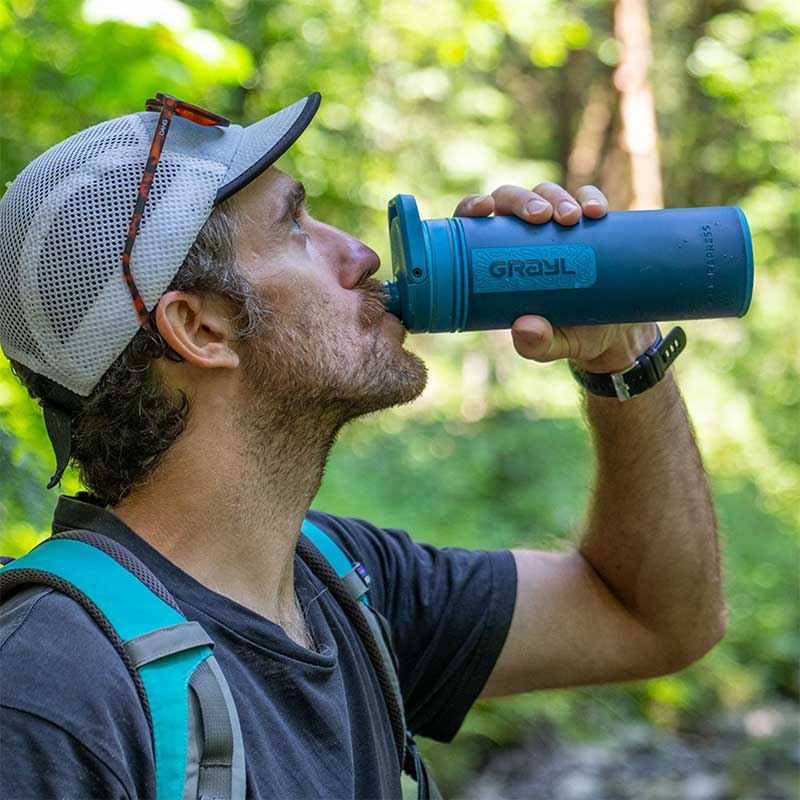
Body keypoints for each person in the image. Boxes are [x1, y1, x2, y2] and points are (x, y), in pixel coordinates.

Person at [0, 91, 725, 799]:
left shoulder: (345, 585)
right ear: (200, 328)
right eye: (296, 229)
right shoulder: (51, 691)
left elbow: (654, 619)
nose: (363, 254)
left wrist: (623, 358)